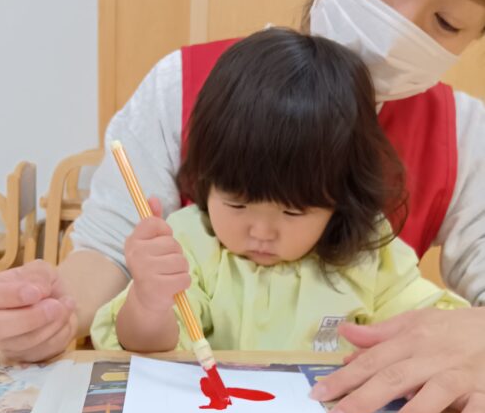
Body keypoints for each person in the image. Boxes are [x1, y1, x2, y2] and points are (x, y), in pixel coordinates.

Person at [0, 0, 485, 413]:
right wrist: (50, 312)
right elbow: (114, 256)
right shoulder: (190, 205)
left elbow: (435, 312)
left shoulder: (386, 236)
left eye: (448, 21)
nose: (400, 26)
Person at [91, 29, 467, 354]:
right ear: (207, 178)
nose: (261, 231)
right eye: (237, 204)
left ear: (340, 198)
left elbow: (434, 325)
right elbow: (146, 346)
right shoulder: (191, 242)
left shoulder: (368, 254)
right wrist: (149, 301)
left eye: (293, 212)